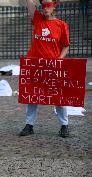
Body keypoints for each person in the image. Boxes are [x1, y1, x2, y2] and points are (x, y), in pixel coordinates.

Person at [19, 0, 70, 138]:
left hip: (52, 66)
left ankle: (64, 125)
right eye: (43, 6)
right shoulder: (37, 19)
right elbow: (29, 3)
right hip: (35, 65)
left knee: (58, 97)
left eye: (48, 6)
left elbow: (66, 45)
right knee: (32, 96)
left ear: (54, 7)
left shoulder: (61, 25)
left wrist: (59, 59)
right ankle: (29, 125)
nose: (45, 8)